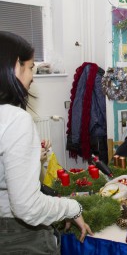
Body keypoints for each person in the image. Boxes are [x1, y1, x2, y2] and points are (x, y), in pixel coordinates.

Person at [0, 31, 92, 253]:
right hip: (17, 236)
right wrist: (72, 207)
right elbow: (27, 207)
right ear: (15, 66)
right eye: (30, 67)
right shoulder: (15, 118)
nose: (32, 75)